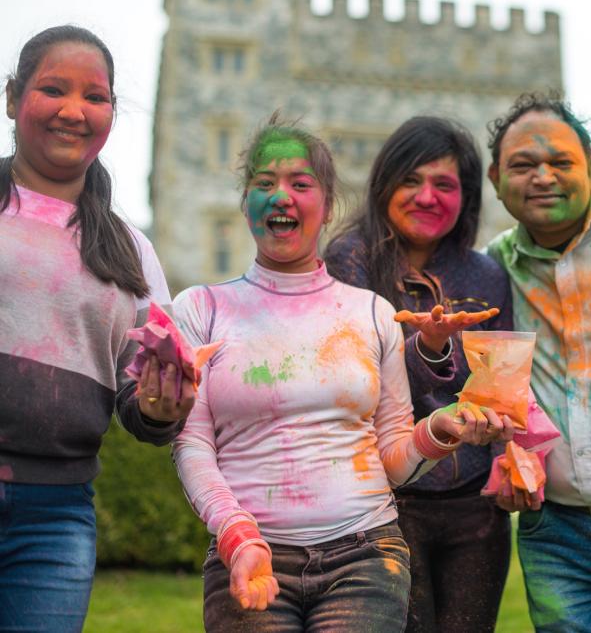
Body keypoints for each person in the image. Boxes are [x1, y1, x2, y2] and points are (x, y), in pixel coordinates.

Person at [172, 115, 513, 632]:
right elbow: (192, 445)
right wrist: (236, 533)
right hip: (251, 551)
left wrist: (440, 430)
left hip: (368, 553)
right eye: (265, 184)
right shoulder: (201, 309)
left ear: (326, 206)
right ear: (245, 204)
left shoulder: (373, 312)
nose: (282, 196)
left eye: (300, 184)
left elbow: (393, 454)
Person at [0, 26, 195, 632]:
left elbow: (142, 402)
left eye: (95, 97)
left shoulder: (131, 251)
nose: (73, 111)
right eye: (52, 89)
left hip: (54, 517)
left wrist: (164, 407)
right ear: (12, 99)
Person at [324, 116, 514, 633]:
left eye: (444, 185)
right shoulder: (349, 261)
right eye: (411, 180)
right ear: (384, 183)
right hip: (386, 504)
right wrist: (428, 349)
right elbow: (355, 377)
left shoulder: (487, 276)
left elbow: (505, 384)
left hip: (475, 511)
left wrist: (508, 458)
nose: (426, 196)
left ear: (467, 197)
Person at [486, 91, 591, 632]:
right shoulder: (494, 268)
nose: (543, 177)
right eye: (523, 165)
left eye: (561, 162)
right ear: (494, 177)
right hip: (558, 540)